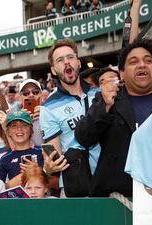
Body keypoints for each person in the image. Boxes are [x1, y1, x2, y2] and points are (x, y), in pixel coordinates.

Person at [75, 39, 152, 197]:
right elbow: (83, 137)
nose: (142, 65)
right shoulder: (107, 100)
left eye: (148, 61)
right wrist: (104, 107)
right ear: (121, 73)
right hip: (117, 201)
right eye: (133, 62)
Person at [40, 38, 101, 197]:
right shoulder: (48, 107)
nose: (66, 62)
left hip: (107, 181)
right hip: (74, 186)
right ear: (53, 70)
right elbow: (55, 156)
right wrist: (49, 167)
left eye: (70, 57)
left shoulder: (99, 94)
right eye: (60, 60)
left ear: (79, 62)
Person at [0, 110, 44, 188]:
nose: (19, 129)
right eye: (14, 126)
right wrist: (12, 184)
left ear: (31, 130)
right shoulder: (5, 158)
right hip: (16, 199)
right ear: (8, 132)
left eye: (24, 125)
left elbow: (56, 182)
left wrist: (37, 171)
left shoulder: (42, 152)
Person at [18, 79, 43, 146]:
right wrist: (22, 122)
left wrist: (45, 116)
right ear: (20, 98)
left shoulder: (50, 111)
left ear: (41, 94)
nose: (31, 95)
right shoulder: (16, 118)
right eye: (26, 93)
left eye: (35, 92)